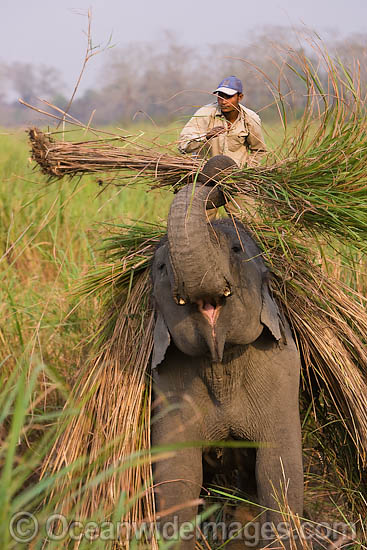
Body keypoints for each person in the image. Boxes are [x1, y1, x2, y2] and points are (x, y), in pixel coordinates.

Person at [178, 76, 266, 168]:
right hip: (204, 173)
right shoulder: (205, 113)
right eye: (220, 96)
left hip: (236, 175)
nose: (223, 102)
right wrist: (206, 136)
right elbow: (182, 146)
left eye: (228, 97)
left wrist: (246, 170)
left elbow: (258, 150)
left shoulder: (250, 118)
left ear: (240, 97)